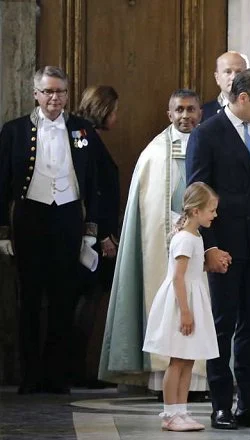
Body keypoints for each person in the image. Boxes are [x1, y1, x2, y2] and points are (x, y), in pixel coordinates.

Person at [186, 68, 250, 430]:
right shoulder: (206, 134)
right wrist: (208, 247)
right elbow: (196, 194)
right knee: (222, 327)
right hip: (224, 244)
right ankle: (221, 405)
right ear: (243, 98)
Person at [99, 89, 210, 396]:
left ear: (200, 113)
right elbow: (146, 204)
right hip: (162, 242)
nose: (185, 116)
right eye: (179, 110)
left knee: (200, 306)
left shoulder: (211, 144)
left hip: (201, 238)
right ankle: (162, 380)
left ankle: (201, 381)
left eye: (191, 110)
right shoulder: (154, 152)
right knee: (168, 309)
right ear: (169, 114)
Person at [0, 66, 99, 394]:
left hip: (68, 217)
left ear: (68, 94)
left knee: (63, 299)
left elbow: (97, 182)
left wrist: (91, 229)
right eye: (48, 91)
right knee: (29, 299)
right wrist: (3, 231)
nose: (55, 97)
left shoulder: (83, 129)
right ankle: (31, 376)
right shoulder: (13, 131)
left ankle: (58, 376)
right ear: (36, 94)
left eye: (60, 92)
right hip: (30, 218)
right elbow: (1, 184)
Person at [143, 182, 220, 432]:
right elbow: (178, 278)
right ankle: (169, 413)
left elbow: (192, 271)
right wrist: (185, 312)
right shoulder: (186, 238)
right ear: (196, 211)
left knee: (187, 360)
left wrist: (209, 266)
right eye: (211, 210)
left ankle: (181, 411)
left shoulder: (195, 236)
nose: (214, 215)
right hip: (181, 303)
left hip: (191, 298)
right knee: (177, 361)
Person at [73, 85, 120, 386]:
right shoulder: (85, 138)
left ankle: (77, 367)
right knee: (87, 298)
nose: (117, 116)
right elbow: (94, 190)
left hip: (93, 233)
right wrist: (102, 234)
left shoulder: (89, 136)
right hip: (91, 238)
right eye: (115, 110)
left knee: (90, 299)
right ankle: (76, 369)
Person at [201, 51, 250, 133]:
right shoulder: (204, 112)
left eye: (239, 72)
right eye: (228, 72)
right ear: (217, 78)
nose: (234, 77)